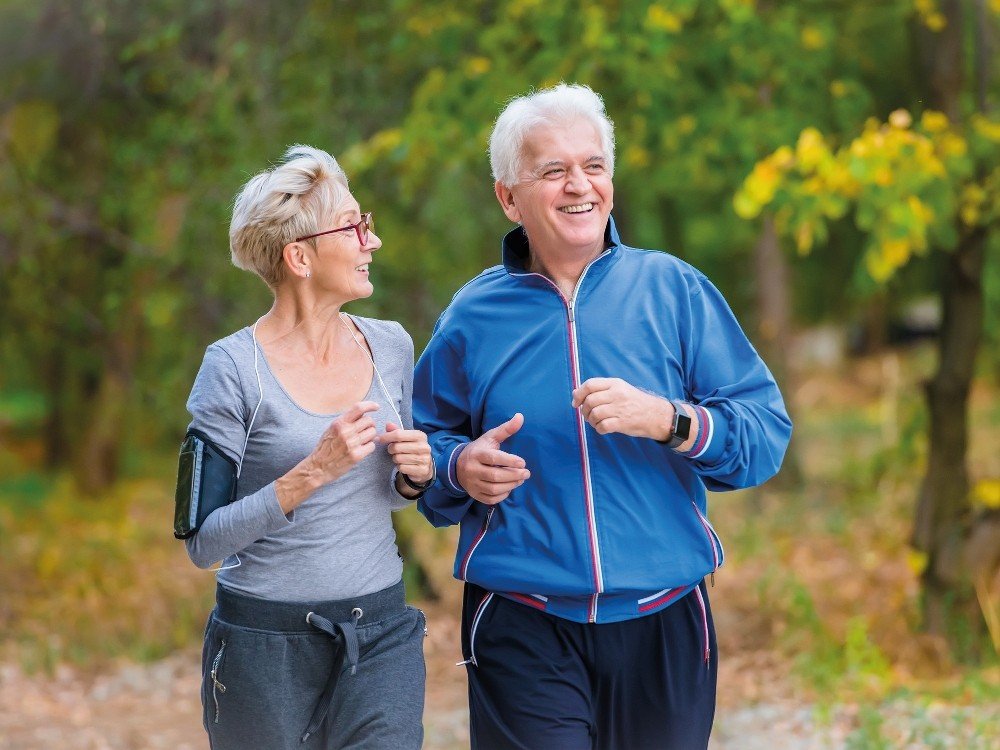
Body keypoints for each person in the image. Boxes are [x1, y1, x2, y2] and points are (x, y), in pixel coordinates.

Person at [412, 84, 792, 749]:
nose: (578, 185)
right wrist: (458, 466)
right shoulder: (471, 317)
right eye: (552, 170)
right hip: (522, 621)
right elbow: (422, 448)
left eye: (593, 165)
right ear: (509, 196)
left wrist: (670, 420)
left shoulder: (674, 290)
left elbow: (764, 435)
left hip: (664, 616)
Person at [177, 145, 431, 749]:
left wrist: (413, 477)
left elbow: (391, 497)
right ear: (300, 256)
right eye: (355, 226)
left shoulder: (390, 346)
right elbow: (203, 543)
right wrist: (311, 472)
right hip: (264, 647)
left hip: (381, 634)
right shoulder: (233, 368)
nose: (373, 241)